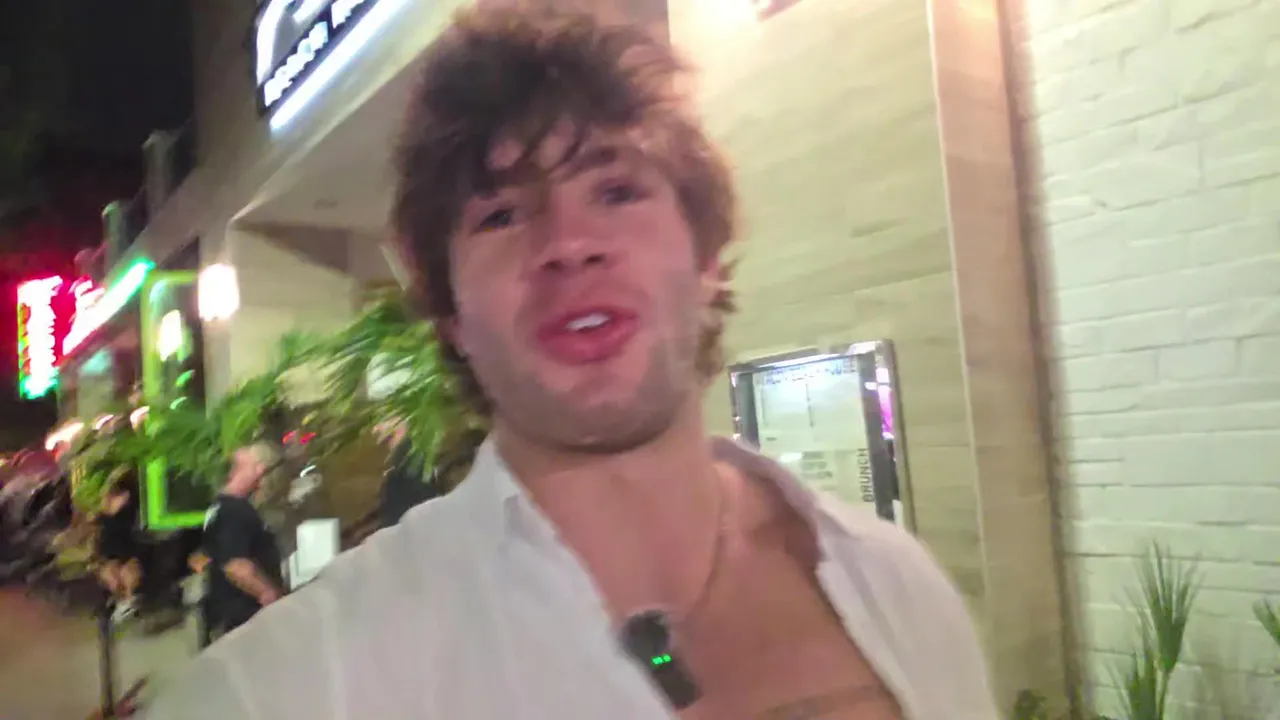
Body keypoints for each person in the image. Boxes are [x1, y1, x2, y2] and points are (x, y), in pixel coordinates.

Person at [148, 8, 998, 718]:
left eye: (617, 190)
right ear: (450, 311)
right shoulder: (290, 687)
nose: (569, 244)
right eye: (501, 214)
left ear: (706, 255)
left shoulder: (897, 585)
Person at [200, 442, 285, 639]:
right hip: (244, 619)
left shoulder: (218, 508)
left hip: (225, 614)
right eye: (257, 467)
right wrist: (268, 594)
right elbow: (235, 566)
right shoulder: (235, 511)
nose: (262, 473)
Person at [94, 469, 142, 622]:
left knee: (121, 573)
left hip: (120, 547)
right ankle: (125, 601)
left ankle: (126, 601)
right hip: (118, 547)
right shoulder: (117, 502)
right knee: (116, 573)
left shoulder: (114, 502)